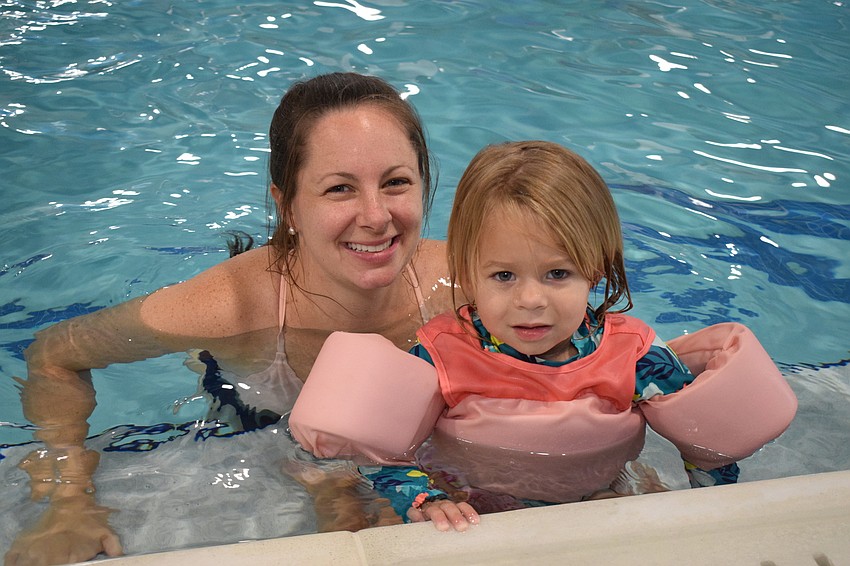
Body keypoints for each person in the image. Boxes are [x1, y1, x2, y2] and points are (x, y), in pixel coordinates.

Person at [6, 72, 456, 566]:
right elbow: (53, 353)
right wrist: (69, 502)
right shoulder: (230, 308)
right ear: (288, 206)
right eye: (339, 189)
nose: (375, 216)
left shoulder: (467, 284)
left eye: (395, 183)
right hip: (252, 433)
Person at [289, 141, 797, 530]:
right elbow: (377, 449)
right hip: (463, 498)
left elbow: (711, 446)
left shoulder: (637, 358)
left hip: (591, 496)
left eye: (557, 274)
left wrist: (709, 506)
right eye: (503, 276)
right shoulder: (439, 357)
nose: (531, 301)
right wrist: (425, 500)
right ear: (466, 273)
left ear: (594, 270)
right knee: (347, 512)